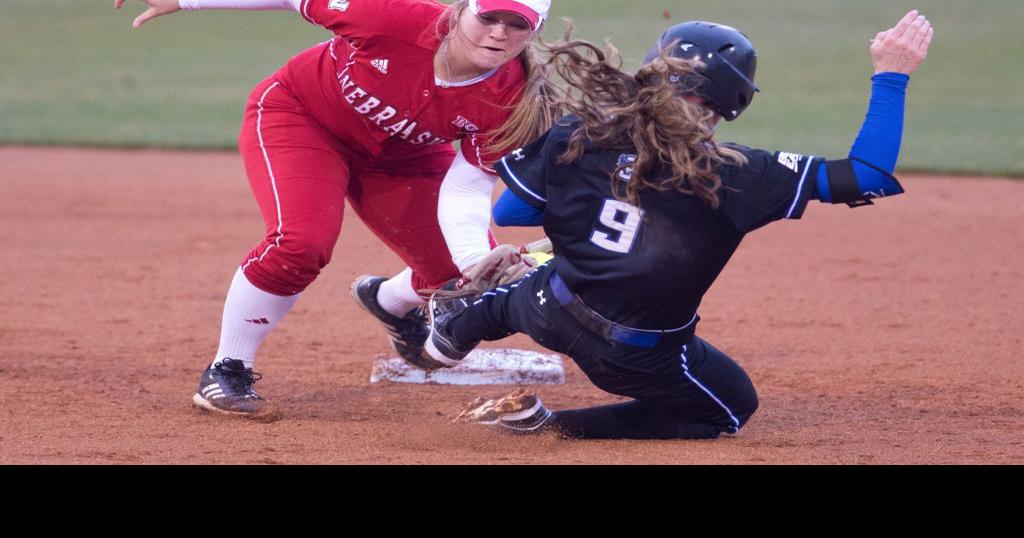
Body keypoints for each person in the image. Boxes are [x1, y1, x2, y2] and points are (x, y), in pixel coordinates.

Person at [423, 12, 934, 439]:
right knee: (730, 407)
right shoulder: (738, 174)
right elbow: (869, 177)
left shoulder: (584, 131)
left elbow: (510, 213)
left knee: (539, 284)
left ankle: (462, 323)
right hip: (631, 357)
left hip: (547, 309)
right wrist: (892, 74)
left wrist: (576, 222)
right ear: (731, 101)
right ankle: (555, 427)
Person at [114, 0, 562, 415]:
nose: (499, 33)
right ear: (465, 9)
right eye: (489, 17)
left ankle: (388, 301)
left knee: (462, 278)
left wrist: (470, 266)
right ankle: (227, 368)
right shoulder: (393, 19)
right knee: (301, 243)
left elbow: (464, 191)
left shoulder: (515, 100)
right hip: (303, 117)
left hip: (405, 154)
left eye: (517, 24)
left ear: (533, 31)